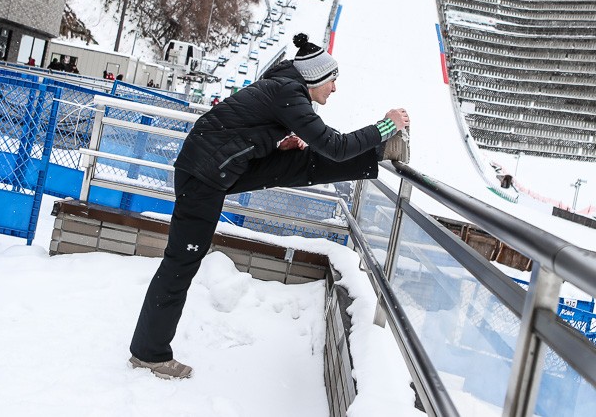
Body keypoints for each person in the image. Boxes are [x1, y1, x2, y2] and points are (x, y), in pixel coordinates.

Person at [128, 33, 410, 380]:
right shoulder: (289, 93)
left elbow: (247, 129)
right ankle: (149, 353)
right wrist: (385, 125)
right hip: (204, 175)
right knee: (181, 262)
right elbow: (335, 146)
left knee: (301, 161)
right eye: (332, 80)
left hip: (221, 166)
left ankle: (380, 153)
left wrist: (278, 145)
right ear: (316, 78)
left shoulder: (285, 88)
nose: (335, 88)